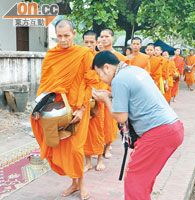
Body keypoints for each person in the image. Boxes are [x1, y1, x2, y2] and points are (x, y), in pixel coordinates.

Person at [91, 51, 184, 200]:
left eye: (99, 73)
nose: (100, 78)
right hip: (173, 127)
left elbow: (121, 117)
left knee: (135, 179)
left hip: (158, 133)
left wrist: (105, 100)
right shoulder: (134, 70)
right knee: (144, 178)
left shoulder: (119, 80)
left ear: (107, 67)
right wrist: (110, 95)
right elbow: (135, 94)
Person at [31, 19, 99, 200]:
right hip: (57, 110)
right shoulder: (52, 55)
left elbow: (90, 82)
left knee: (76, 148)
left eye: (66, 36)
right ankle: (74, 183)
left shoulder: (84, 54)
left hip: (77, 109)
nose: (63, 40)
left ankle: (82, 183)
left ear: (74, 34)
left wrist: (83, 109)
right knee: (62, 148)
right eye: (59, 36)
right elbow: (45, 84)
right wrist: (39, 108)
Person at [100, 28, 128, 159]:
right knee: (98, 123)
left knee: (110, 124)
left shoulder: (120, 57)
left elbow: (124, 76)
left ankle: (107, 148)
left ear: (113, 39)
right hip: (98, 92)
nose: (104, 39)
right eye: (102, 36)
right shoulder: (96, 56)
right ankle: (98, 148)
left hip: (112, 93)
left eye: (107, 36)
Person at [82, 30, 106, 172]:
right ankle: (88, 162)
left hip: (97, 99)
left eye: (92, 42)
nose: (89, 45)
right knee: (85, 131)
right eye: (86, 42)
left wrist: (97, 93)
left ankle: (100, 159)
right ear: (83, 42)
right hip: (84, 99)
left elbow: (104, 78)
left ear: (97, 43)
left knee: (98, 130)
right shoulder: (80, 58)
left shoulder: (100, 58)